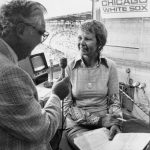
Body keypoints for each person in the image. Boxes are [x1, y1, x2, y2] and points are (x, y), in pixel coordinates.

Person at [0, 0, 69, 150]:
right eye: (41, 33)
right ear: (20, 30)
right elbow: (43, 131)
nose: (41, 40)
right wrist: (56, 95)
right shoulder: (8, 73)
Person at [63, 20, 122, 150]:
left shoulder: (110, 66)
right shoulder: (69, 68)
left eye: (87, 39)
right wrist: (98, 121)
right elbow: (67, 107)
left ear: (99, 43)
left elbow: (114, 101)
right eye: (80, 37)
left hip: (106, 122)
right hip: (77, 126)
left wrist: (114, 123)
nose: (81, 43)